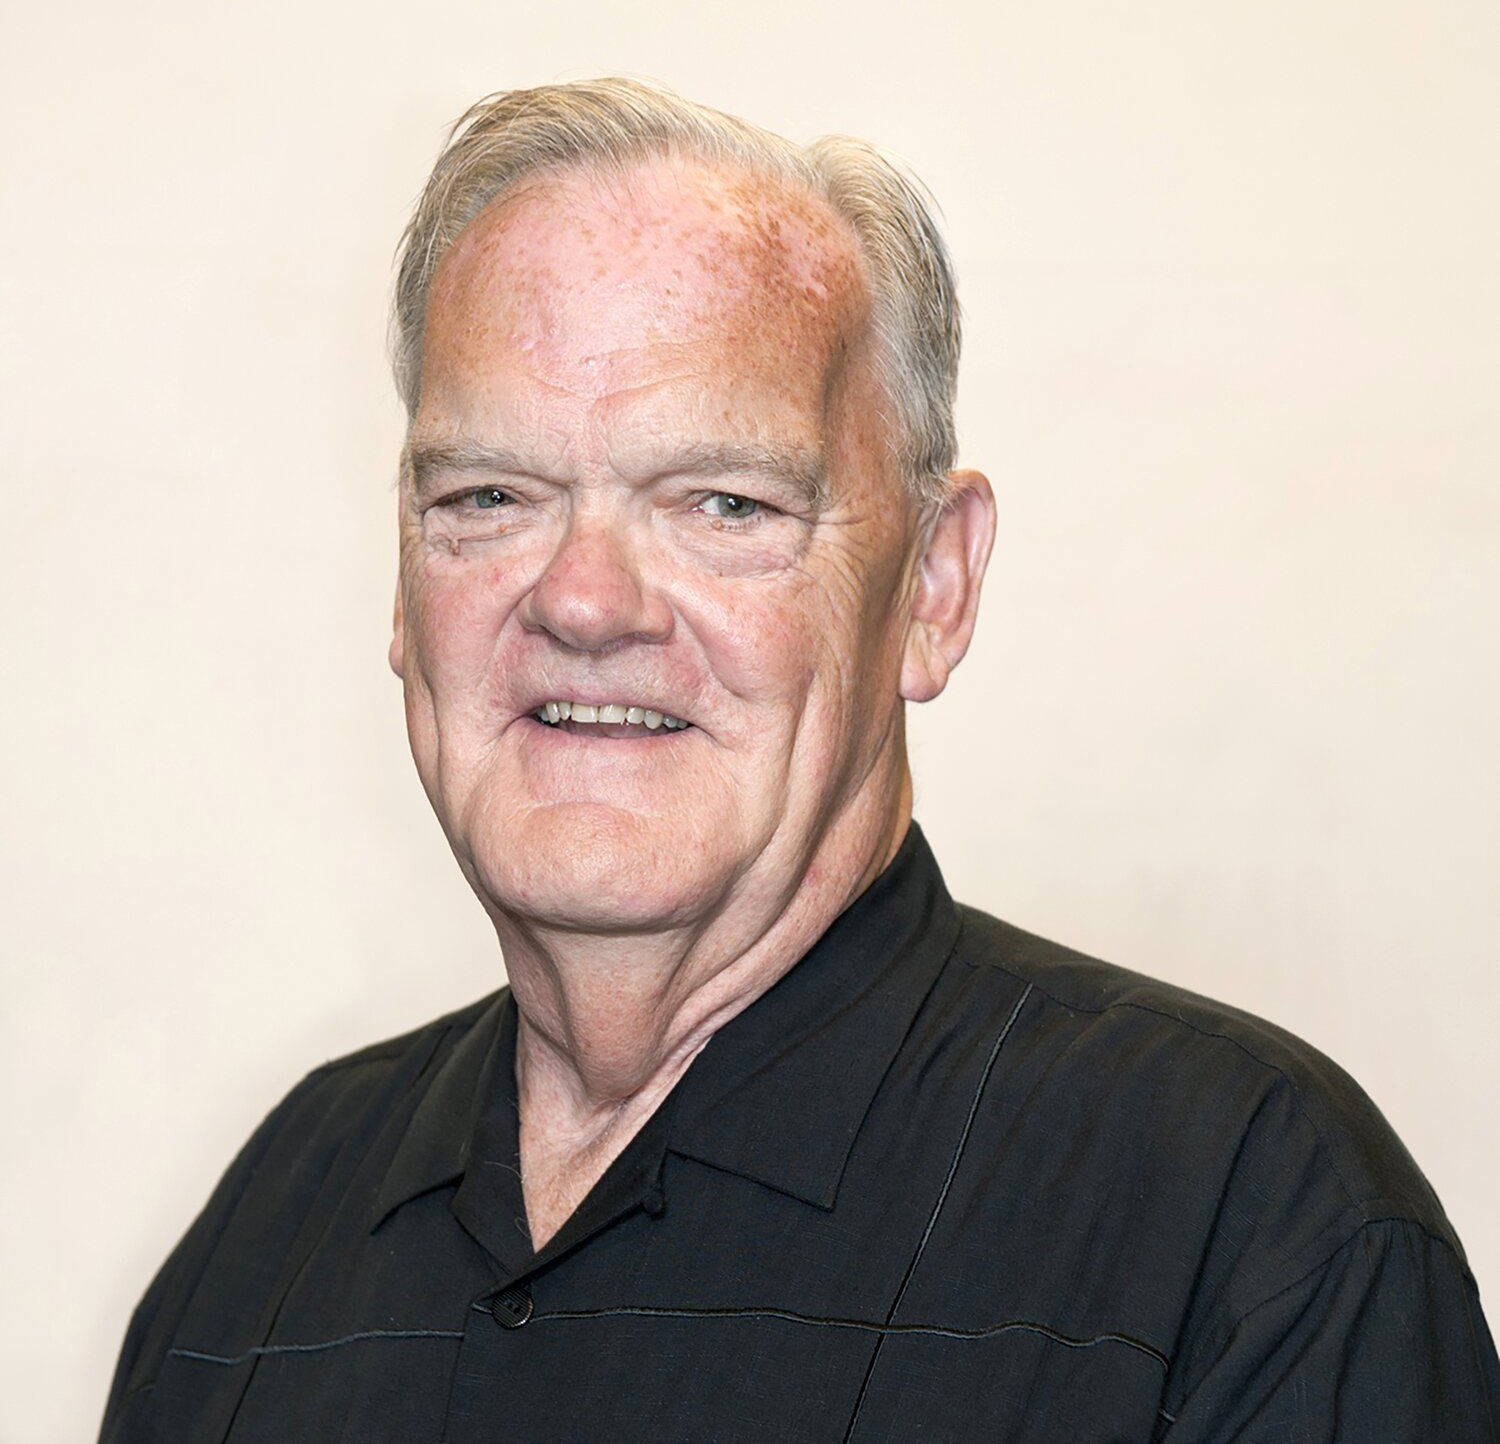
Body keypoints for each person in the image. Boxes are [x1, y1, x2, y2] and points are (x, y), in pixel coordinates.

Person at [99, 79, 1498, 1443]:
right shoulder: (268, 1240)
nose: (585, 602)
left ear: (935, 588)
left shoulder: (1249, 1231)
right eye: (490, 497)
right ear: (404, 594)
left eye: (723, 503)